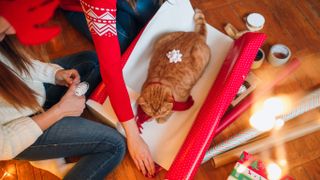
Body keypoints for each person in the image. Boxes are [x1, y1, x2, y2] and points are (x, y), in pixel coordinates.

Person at [0, 16, 126, 180]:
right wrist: (59, 111)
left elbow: (19, 67)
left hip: (31, 99)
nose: (12, 31)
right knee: (115, 145)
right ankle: (48, 151)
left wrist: (55, 74)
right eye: (2, 29)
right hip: (17, 133)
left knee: (91, 62)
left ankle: (52, 152)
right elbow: (4, 146)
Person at [60, 0, 164, 177]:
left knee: (155, 21)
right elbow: (111, 71)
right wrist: (133, 136)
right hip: (78, 6)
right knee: (130, 43)